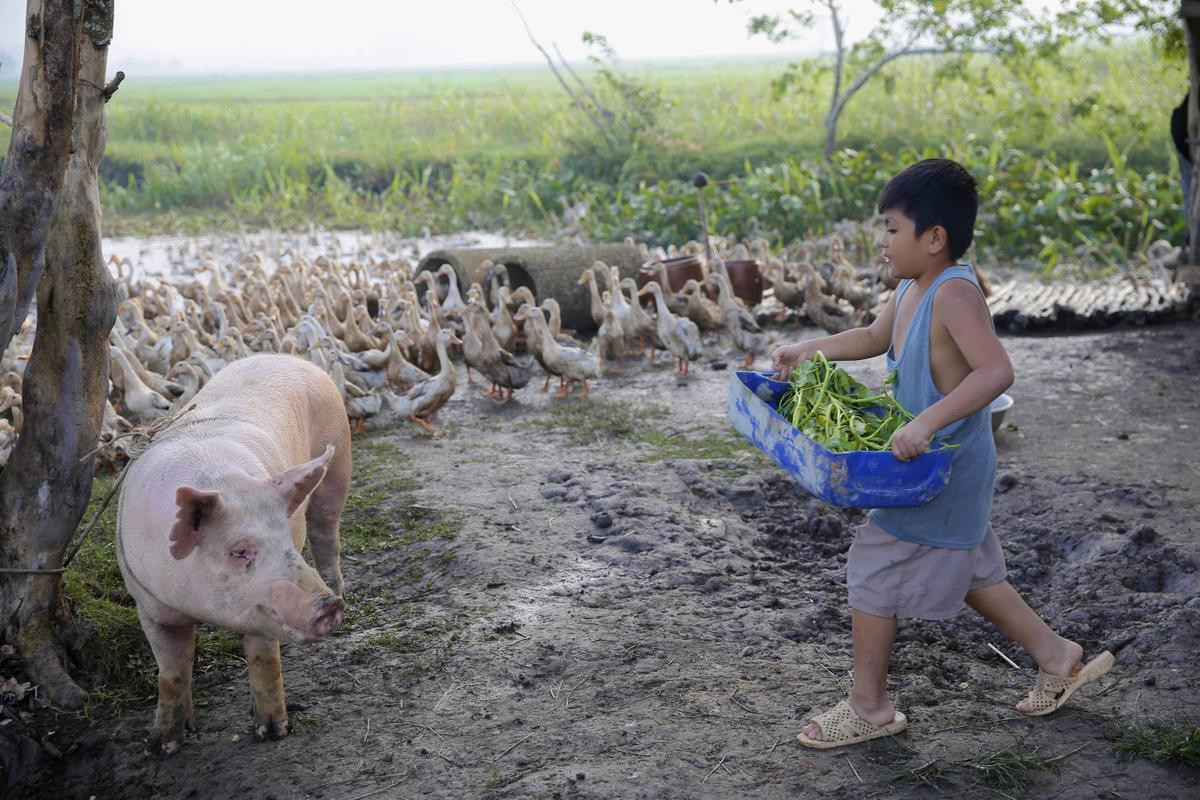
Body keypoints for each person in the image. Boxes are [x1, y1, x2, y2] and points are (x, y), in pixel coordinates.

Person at [769, 158, 1114, 749]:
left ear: (934, 238)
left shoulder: (955, 294)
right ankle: (1057, 656)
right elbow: (875, 338)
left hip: (942, 465)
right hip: (926, 464)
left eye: (890, 229)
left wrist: (928, 420)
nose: (882, 244)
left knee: (874, 567)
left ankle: (869, 707)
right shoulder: (910, 287)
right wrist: (809, 347)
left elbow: (996, 370)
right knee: (972, 567)